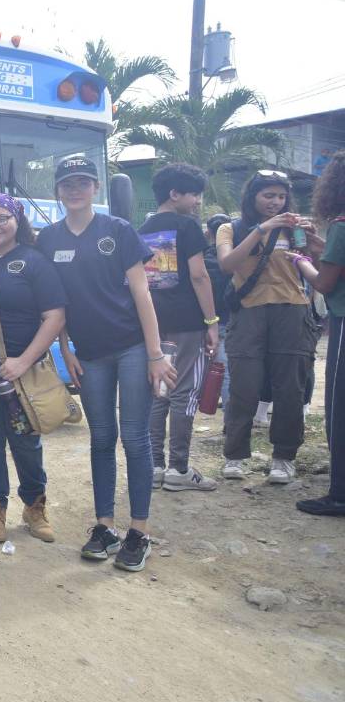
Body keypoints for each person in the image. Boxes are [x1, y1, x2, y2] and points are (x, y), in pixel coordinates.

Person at [36, 156, 175, 573]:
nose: (75, 190)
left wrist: (154, 354)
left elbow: (142, 294)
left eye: (83, 182)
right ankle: (105, 527)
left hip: (132, 347)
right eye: (67, 183)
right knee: (101, 438)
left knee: (134, 438)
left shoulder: (118, 230)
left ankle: (139, 531)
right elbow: (55, 302)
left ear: (96, 187)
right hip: (89, 354)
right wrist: (66, 349)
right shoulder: (49, 238)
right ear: (58, 190)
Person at [0, 193, 66, 543]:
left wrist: (23, 361)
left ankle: (35, 506)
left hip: (24, 368)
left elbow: (55, 317)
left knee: (26, 440)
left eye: (1, 218)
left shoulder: (35, 262)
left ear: (17, 220)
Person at [216, 170, 320, 484]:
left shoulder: (294, 229)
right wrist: (263, 228)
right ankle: (235, 456)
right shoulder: (230, 228)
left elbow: (319, 268)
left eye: (281, 196)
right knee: (244, 387)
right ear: (253, 197)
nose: (275, 202)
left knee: (290, 388)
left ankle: (283, 458)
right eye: (268, 195)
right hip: (249, 312)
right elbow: (227, 264)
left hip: (292, 310)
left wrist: (313, 241)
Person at [138, 164, 220, 493]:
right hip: (187, 322)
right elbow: (199, 275)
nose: (198, 201)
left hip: (153, 322)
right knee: (184, 390)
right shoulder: (187, 227)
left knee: (159, 390)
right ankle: (180, 469)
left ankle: (155, 466)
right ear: (175, 194)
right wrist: (212, 321)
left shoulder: (141, 228)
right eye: (194, 194)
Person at [292, 150, 345, 515]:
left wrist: (302, 262)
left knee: (339, 410)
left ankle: (339, 494)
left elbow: (325, 283)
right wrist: (321, 250)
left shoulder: (341, 223)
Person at [204, 213, 233, 411]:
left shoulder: (202, 259)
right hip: (232, 319)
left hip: (207, 321)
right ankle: (231, 417)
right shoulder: (235, 259)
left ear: (208, 232)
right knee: (228, 371)